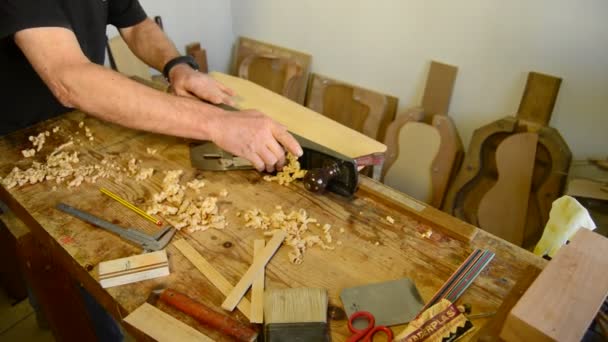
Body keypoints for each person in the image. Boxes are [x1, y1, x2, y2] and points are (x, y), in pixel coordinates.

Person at [0, 0, 302, 173]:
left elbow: (136, 26)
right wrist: (219, 123)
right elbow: (68, 78)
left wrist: (177, 67)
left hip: (76, 123)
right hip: (13, 142)